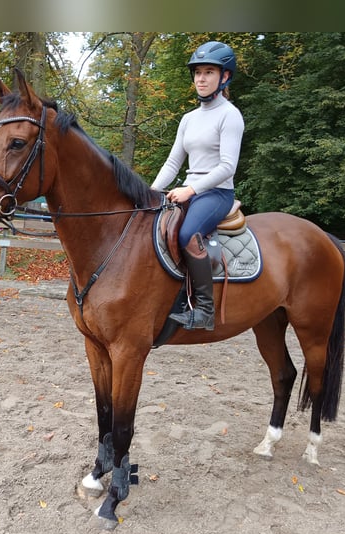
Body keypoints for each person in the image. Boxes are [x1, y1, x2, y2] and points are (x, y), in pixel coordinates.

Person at [150, 40, 244, 331]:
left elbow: (227, 166)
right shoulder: (188, 119)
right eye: (197, 73)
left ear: (224, 77)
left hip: (216, 193)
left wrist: (191, 190)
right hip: (188, 189)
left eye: (208, 72)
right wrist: (150, 194)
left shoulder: (230, 115)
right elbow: (172, 164)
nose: (201, 78)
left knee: (188, 232)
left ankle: (204, 309)